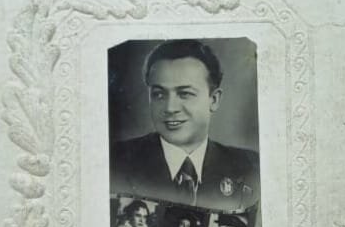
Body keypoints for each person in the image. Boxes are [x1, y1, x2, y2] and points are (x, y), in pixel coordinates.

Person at [110, 39, 259, 210]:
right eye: (159, 94)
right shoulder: (115, 162)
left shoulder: (250, 167)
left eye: (185, 94)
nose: (170, 108)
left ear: (214, 100)